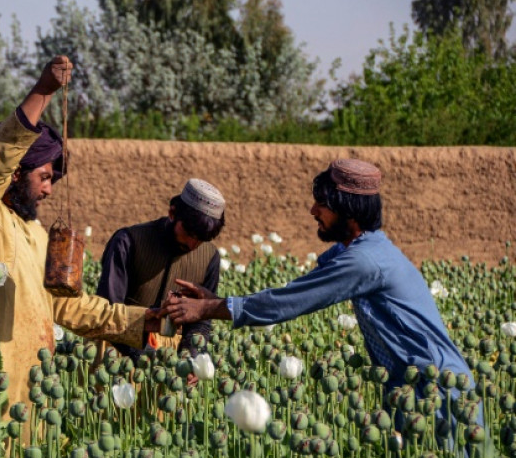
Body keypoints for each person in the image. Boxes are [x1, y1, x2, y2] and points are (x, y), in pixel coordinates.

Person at [165, 159, 478, 424]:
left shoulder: (365, 261)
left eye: (322, 204)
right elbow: (295, 290)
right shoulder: (358, 251)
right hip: (408, 391)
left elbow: (291, 302)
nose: (313, 210)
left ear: (349, 212)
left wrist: (207, 310)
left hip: (438, 394)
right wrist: (216, 301)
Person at [0, 55, 156, 411]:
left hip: (31, 386)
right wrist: (43, 91)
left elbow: (68, 305)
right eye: (43, 177)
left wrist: (145, 319)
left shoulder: (36, 234)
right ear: (14, 174)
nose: (49, 190)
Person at [97, 179, 225, 361]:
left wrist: (192, 357)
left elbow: (201, 319)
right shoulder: (128, 242)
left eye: (201, 239)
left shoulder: (210, 257)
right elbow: (106, 311)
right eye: (189, 233)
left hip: (169, 363)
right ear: (172, 213)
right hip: (116, 355)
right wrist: (140, 356)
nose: (192, 244)